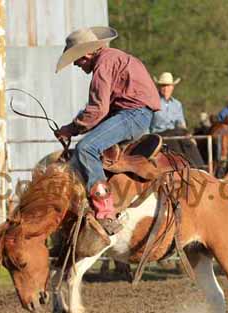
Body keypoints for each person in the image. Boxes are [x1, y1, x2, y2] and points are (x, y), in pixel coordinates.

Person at [54, 26, 160, 235]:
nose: (76, 64)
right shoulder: (113, 58)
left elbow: (97, 109)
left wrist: (70, 129)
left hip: (132, 115)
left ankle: (105, 210)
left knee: (86, 148)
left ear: (87, 53)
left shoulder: (103, 65)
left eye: (77, 59)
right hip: (135, 113)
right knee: (93, 148)